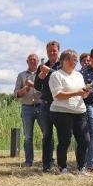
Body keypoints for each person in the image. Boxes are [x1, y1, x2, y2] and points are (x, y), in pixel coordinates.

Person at [48, 49, 92, 175]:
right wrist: (77, 93)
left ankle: (81, 168)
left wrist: (85, 92)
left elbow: (82, 95)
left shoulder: (78, 75)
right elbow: (57, 95)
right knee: (65, 140)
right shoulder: (56, 75)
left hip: (80, 111)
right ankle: (62, 168)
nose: (76, 63)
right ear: (65, 60)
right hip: (61, 112)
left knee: (85, 140)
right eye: (74, 60)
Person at [34, 41, 61, 173]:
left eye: (54, 50)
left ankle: (62, 163)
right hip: (45, 104)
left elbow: (62, 78)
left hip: (60, 104)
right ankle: (47, 163)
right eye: (50, 51)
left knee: (62, 135)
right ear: (47, 52)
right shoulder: (41, 67)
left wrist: (49, 71)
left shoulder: (62, 65)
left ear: (58, 51)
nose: (52, 53)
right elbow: (37, 87)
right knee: (47, 135)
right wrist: (39, 77)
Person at [14, 53, 42, 167]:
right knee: (28, 137)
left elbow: (46, 91)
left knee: (47, 134)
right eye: (30, 59)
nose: (32, 61)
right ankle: (29, 161)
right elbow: (16, 94)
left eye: (34, 59)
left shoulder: (42, 75)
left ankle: (47, 160)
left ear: (38, 61)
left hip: (41, 107)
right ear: (27, 62)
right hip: (27, 108)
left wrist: (34, 85)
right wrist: (25, 89)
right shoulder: (21, 75)